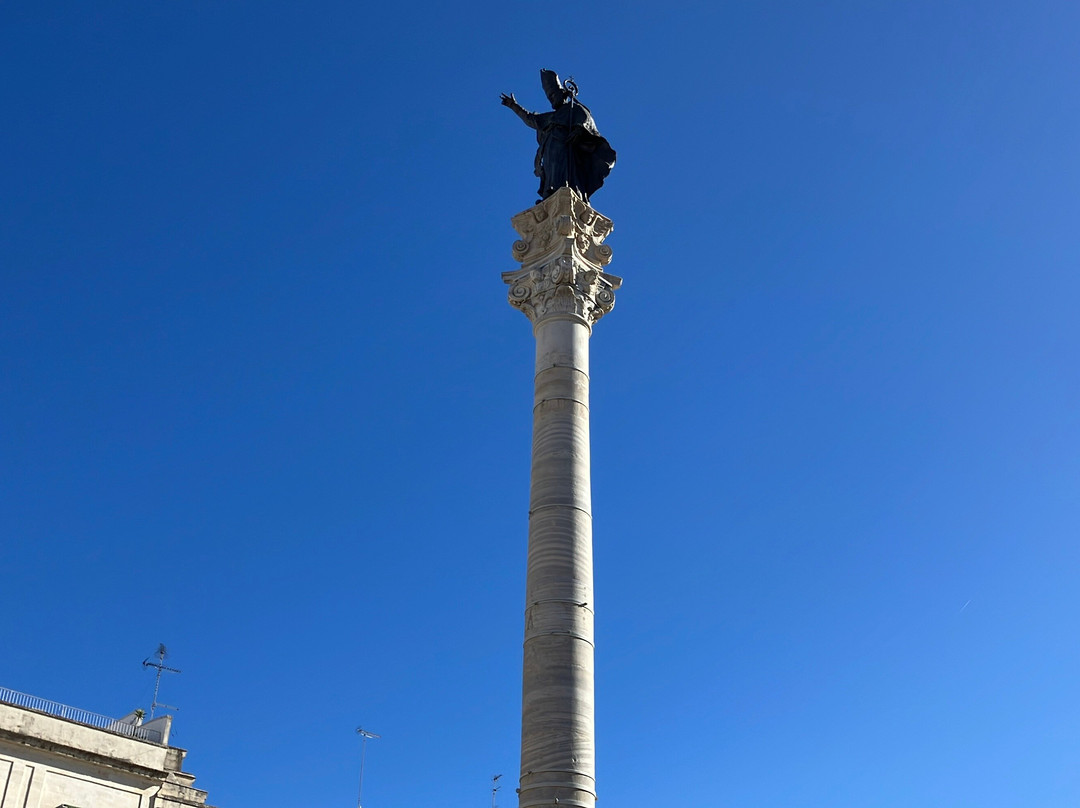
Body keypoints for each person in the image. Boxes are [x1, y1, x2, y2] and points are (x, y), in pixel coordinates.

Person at [501, 69, 616, 203]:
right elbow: (530, 119)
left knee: (565, 172)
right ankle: (549, 195)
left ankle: (569, 192)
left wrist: (579, 131)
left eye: (554, 95)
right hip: (550, 150)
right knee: (552, 173)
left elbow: (587, 124)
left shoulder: (576, 109)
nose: (552, 100)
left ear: (563, 94)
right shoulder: (550, 117)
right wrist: (514, 106)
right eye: (550, 97)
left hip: (565, 146)